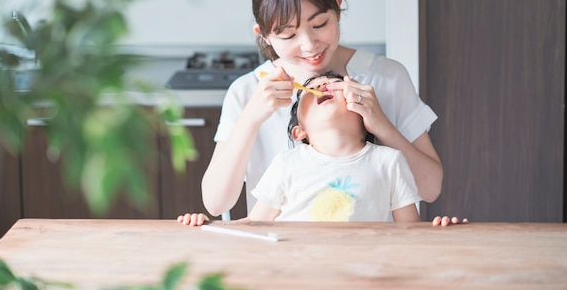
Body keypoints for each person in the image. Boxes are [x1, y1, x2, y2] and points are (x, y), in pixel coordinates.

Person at [201, 0, 443, 218]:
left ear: (337, 8)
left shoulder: (386, 76)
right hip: (279, 255)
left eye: (320, 24)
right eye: (288, 35)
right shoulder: (246, 91)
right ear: (265, 36)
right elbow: (216, 204)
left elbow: (430, 189)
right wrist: (250, 118)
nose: (309, 45)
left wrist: (382, 126)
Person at [181, 72, 466, 226]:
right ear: (299, 131)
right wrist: (208, 225)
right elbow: (254, 223)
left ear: (364, 113)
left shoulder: (390, 162)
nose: (324, 84)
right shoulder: (285, 164)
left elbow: (411, 234)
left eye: (336, 83)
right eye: (312, 88)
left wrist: (440, 230)